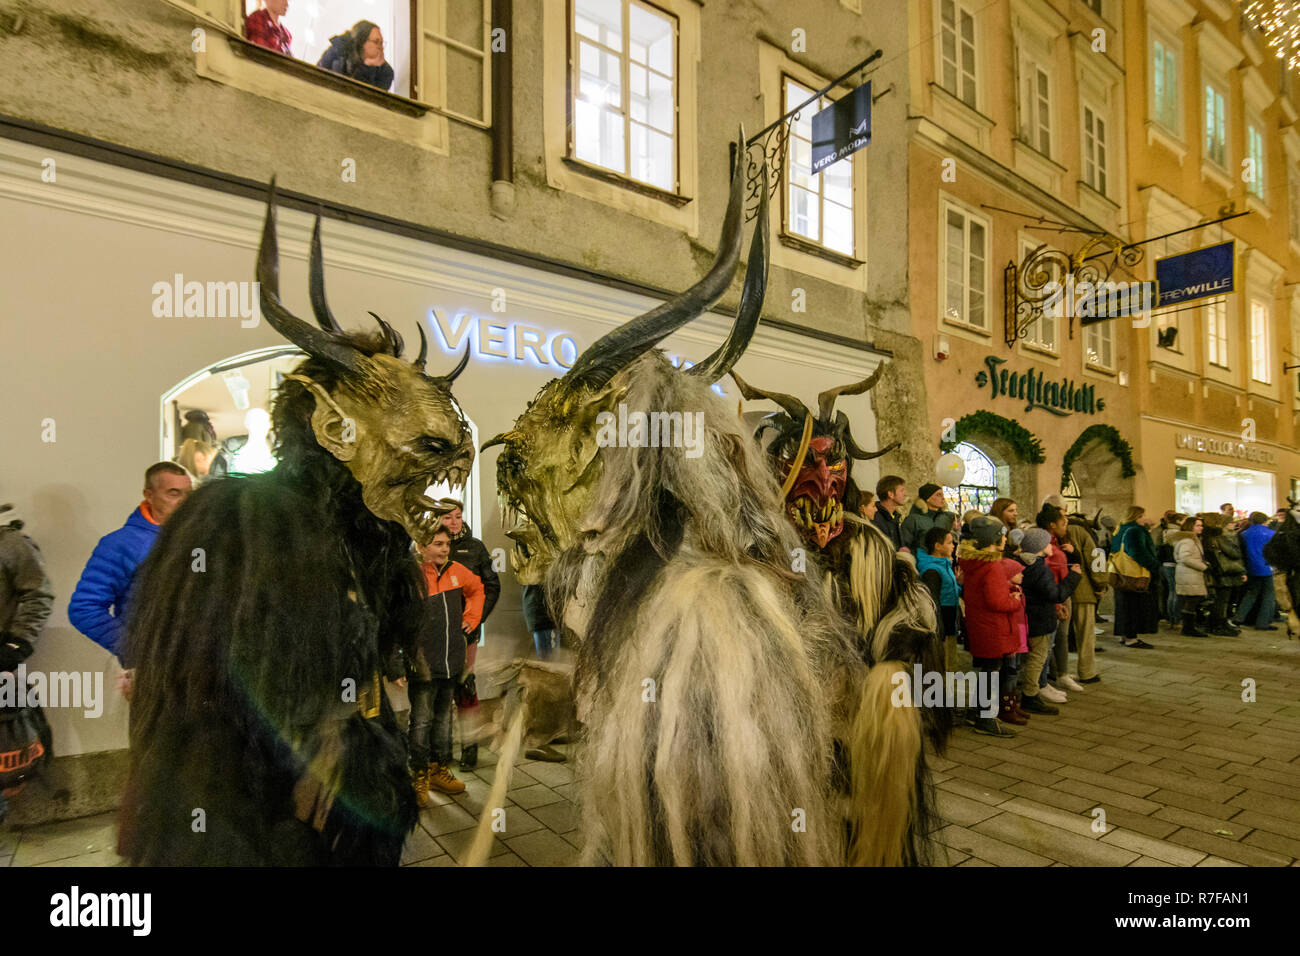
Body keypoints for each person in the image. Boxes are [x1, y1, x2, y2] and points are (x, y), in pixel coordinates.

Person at [67, 463, 192, 666]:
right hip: (152, 670)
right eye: (174, 493)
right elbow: (85, 608)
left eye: (189, 494)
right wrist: (136, 650)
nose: (184, 502)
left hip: (200, 668)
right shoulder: (122, 543)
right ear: (149, 495)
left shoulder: (199, 541)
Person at [409, 525, 484, 803]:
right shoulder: (411, 576)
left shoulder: (457, 571)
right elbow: (396, 617)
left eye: (446, 544)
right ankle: (418, 775)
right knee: (420, 721)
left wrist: (472, 619)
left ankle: (438, 769)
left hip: (451, 662)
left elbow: (478, 590)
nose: (444, 549)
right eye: (438, 544)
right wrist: (397, 663)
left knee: (442, 720)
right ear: (421, 546)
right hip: (422, 666)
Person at [435, 498, 499, 770]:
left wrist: (476, 620)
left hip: (466, 632)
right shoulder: (431, 547)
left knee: (464, 686)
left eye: (457, 516)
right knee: (441, 688)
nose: (453, 522)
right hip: (438, 632)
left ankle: (470, 748)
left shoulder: (476, 548)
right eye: (448, 517)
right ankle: (442, 750)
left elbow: (491, 586)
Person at [958, 516, 1023, 737]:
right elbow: (997, 601)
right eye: (1001, 536)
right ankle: (986, 718)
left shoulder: (974, 563)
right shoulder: (992, 566)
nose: (1005, 539)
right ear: (991, 540)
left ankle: (976, 712)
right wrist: (1015, 599)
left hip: (980, 625)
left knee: (986, 672)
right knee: (991, 674)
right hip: (994, 629)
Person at [1017, 527, 1080, 715]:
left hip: (1028, 618)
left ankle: (1032, 691)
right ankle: (1030, 695)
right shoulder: (1039, 569)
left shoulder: (1025, 564)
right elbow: (1055, 594)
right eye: (1048, 543)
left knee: (1032, 658)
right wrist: (1074, 577)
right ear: (1040, 547)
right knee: (1037, 659)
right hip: (1040, 620)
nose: (1051, 546)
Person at [1110, 506, 1160, 648]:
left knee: (1122, 606)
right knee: (1133, 606)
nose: (1145, 518)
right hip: (1133, 575)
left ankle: (1123, 635)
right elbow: (1137, 552)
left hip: (1119, 573)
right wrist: (1154, 565)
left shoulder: (1119, 529)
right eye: (1143, 515)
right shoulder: (1135, 531)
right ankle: (1131, 637)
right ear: (1137, 516)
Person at [917, 526, 960, 673]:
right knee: (944, 666)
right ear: (937, 546)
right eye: (949, 542)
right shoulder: (932, 570)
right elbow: (932, 601)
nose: (953, 546)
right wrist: (938, 629)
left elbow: (947, 590)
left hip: (949, 623)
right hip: (942, 626)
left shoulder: (944, 564)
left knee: (950, 665)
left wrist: (959, 585)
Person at [318, 20, 394, 92]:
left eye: (381, 42)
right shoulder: (339, 49)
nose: (381, 47)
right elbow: (317, 75)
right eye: (376, 42)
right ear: (362, 41)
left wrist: (367, 68)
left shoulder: (385, 73)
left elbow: (365, 97)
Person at [1236, 512, 1278, 630]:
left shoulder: (1244, 534)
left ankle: (1239, 618)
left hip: (1251, 568)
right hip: (1267, 568)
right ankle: (1263, 623)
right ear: (1265, 521)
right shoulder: (1271, 533)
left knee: (1251, 594)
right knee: (1268, 596)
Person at [1203, 514, 1244, 635]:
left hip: (1219, 570)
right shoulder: (1220, 536)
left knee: (1221, 599)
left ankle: (1218, 623)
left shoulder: (1208, 536)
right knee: (1222, 599)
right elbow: (1234, 553)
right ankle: (1218, 624)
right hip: (1224, 570)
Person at [1171, 516, 1210, 637]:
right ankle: (1188, 628)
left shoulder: (1191, 539)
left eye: (1201, 525)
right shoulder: (1188, 541)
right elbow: (1185, 558)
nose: (1201, 528)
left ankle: (1188, 627)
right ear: (1190, 526)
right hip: (1189, 574)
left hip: (1190, 573)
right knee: (1191, 600)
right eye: (1198, 525)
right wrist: (1203, 566)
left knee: (1191, 601)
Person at [900, 483, 956, 554]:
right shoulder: (913, 519)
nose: (943, 498)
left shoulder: (946, 518)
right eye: (938, 495)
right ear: (928, 498)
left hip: (942, 561)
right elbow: (905, 545)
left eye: (942, 495)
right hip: (921, 562)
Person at [871, 475, 907, 550]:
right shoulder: (874, 518)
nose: (905, 494)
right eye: (902, 490)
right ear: (890, 494)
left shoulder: (895, 516)